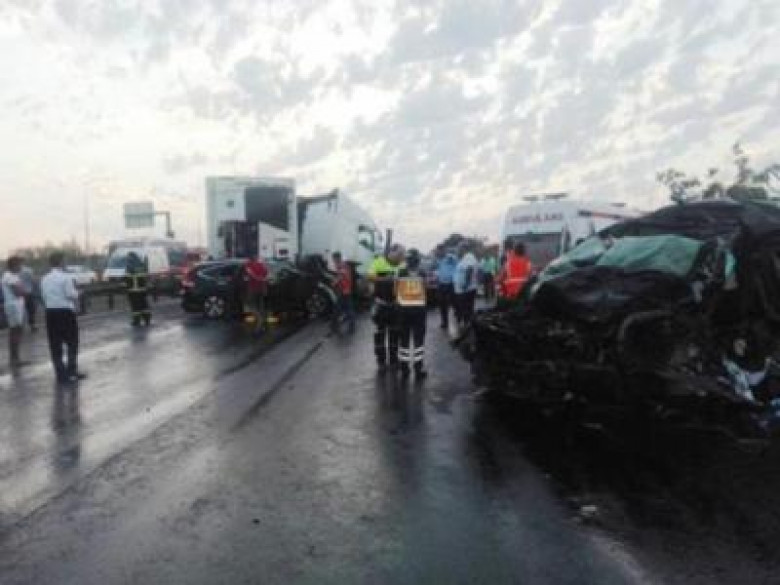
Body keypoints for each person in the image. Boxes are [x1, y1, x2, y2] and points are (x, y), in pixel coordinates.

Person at [40, 252, 85, 383]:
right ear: (61, 262)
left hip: (50, 312)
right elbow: (70, 294)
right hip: (65, 312)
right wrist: (79, 293)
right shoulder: (66, 277)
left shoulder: (44, 279)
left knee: (55, 344)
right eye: (64, 261)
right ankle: (72, 371)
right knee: (72, 342)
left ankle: (60, 374)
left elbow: (44, 296)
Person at [368, 243, 405, 373]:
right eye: (400, 254)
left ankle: (394, 360)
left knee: (395, 334)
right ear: (392, 252)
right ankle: (381, 362)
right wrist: (385, 279)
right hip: (381, 305)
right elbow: (370, 277)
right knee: (380, 335)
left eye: (402, 255)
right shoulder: (378, 262)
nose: (401, 257)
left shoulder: (401, 265)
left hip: (395, 305)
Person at [396, 248, 428, 379]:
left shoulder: (400, 272)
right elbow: (426, 288)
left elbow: (395, 290)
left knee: (404, 340)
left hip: (403, 311)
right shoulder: (422, 273)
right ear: (418, 260)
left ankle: (404, 369)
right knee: (418, 340)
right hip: (418, 311)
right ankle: (418, 369)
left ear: (407, 260)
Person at [2, 256, 28, 369]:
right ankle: (14, 359)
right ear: (14, 265)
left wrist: (22, 289)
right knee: (15, 332)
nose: (21, 267)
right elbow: (18, 292)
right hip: (13, 306)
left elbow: (20, 290)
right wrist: (24, 290)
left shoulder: (13, 276)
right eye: (20, 265)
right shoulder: (9, 276)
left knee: (17, 331)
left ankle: (16, 358)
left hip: (17, 306)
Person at [454, 242, 479, 327]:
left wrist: (465, 285)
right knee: (466, 309)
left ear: (464, 248)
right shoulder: (464, 258)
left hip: (467, 290)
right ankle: (467, 326)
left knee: (466, 309)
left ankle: (468, 327)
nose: (458, 250)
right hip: (465, 289)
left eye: (459, 248)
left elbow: (469, 269)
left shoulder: (469, 257)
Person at [331, 252, 356, 335]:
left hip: (344, 291)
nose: (333, 261)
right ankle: (351, 326)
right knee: (348, 309)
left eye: (334, 259)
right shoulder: (342, 265)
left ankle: (334, 326)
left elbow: (341, 276)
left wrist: (334, 283)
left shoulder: (342, 265)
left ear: (337, 258)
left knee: (339, 309)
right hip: (346, 291)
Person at [244, 254, 269, 334]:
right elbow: (267, 275)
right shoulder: (262, 265)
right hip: (262, 289)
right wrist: (262, 279)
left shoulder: (249, 264)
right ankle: (262, 326)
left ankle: (260, 321)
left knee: (251, 305)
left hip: (253, 289)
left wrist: (257, 278)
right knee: (261, 306)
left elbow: (249, 273)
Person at [125, 253, 151, 326]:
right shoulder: (142, 265)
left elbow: (127, 279)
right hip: (142, 290)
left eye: (128, 257)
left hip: (133, 290)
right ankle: (147, 319)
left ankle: (137, 321)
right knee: (144, 305)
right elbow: (145, 276)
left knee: (135, 307)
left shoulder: (129, 266)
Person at [435, 246, 457, 330]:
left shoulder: (451, 258)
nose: (438, 252)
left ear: (444, 250)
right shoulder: (438, 260)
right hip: (441, 284)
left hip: (451, 284)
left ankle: (458, 319)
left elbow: (456, 263)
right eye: (438, 251)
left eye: (439, 251)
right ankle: (444, 322)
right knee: (442, 304)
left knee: (454, 303)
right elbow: (437, 269)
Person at [20, 260, 38, 332]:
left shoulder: (13, 271)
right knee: (31, 310)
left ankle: (21, 326)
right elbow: (33, 280)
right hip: (28, 292)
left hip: (19, 294)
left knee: (21, 310)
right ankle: (32, 325)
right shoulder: (28, 270)